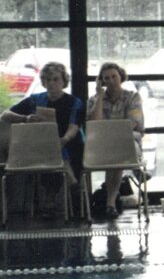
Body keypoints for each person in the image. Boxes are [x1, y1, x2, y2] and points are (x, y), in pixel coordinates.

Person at [1, 61, 84, 215]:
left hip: (68, 143)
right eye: (47, 79)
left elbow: (74, 126)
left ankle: (54, 197)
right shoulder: (35, 99)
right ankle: (70, 184)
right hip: (39, 144)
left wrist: (64, 139)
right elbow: (5, 115)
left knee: (59, 148)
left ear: (63, 81)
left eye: (55, 79)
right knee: (49, 148)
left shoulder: (73, 102)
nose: (51, 83)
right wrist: (25, 118)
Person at [86, 61, 144, 219]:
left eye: (114, 76)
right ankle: (111, 203)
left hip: (127, 141)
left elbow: (133, 123)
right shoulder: (95, 100)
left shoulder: (132, 97)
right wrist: (99, 96)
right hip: (104, 144)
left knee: (120, 146)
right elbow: (93, 124)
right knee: (116, 149)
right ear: (102, 81)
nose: (111, 81)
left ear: (121, 77)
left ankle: (110, 203)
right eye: (106, 78)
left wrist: (111, 132)